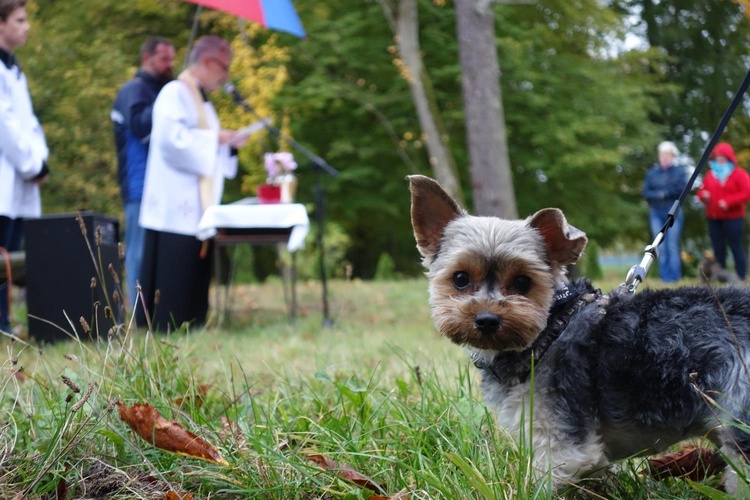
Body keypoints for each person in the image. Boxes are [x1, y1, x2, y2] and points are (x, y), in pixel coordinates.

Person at [137, 35, 247, 330]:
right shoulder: (174, 92)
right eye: (224, 68)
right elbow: (170, 141)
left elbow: (208, 147)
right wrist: (215, 139)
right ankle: (165, 326)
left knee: (195, 272)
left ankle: (193, 321)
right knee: (174, 272)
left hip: (196, 202)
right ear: (209, 62)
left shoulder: (203, 103)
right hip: (175, 203)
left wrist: (229, 144)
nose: (226, 76)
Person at [111, 36, 175, 307]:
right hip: (140, 186)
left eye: (172, 59)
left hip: (166, 184)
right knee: (137, 249)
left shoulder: (165, 90)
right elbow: (139, 127)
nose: (170, 65)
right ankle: (137, 312)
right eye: (164, 59)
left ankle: (157, 307)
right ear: (146, 58)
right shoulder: (133, 90)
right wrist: (166, 103)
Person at [0, 0, 48, 332]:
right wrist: (33, 164)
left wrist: (40, 162)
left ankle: (4, 321)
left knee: (11, 256)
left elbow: (29, 124)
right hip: (8, 175)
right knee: (2, 253)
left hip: (20, 181)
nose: (27, 26)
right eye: (19, 20)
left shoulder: (15, 70)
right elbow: (4, 126)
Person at [697, 142, 750, 280]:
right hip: (714, 217)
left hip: (733, 217)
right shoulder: (711, 174)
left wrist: (728, 201)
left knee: (735, 246)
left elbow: (746, 192)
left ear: (729, 158)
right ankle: (720, 276)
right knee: (718, 247)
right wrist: (704, 195)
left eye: (723, 157)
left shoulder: (738, 174)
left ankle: (741, 276)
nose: (720, 160)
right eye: (718, 157)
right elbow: (701, 191)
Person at [642, 141, 687, 283]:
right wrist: (660, 195)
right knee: (660, 246)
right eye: (661, 154)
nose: (664, 157)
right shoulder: (652, 173)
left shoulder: (679, 171)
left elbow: (681, 190)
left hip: (673, 213)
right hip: (656, 212)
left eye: (667, 154)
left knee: (672, 245)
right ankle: (664, 278)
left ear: (672, 155)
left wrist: (664, 193)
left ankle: (674, 277)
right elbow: (646, 192)